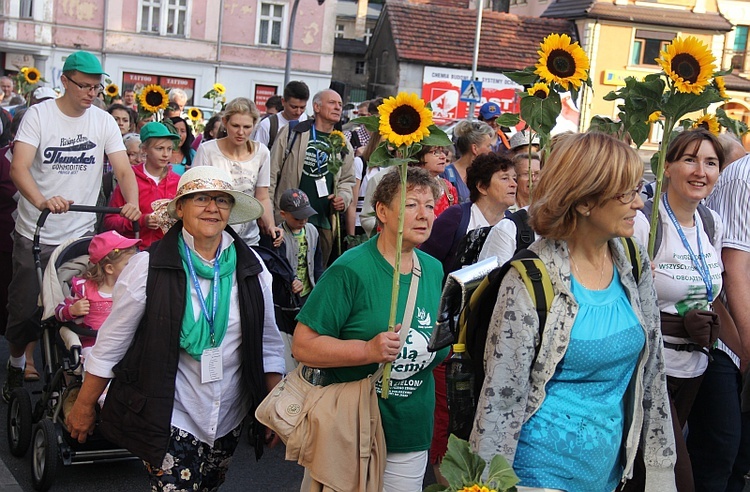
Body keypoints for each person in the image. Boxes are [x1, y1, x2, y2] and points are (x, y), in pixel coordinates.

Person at [470, 131, 677, 491]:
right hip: (536, 475)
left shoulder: (632, 259)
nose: (639, 204)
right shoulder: (530, 279)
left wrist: (660, 470)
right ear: (584, 202)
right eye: (625, 193)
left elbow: (654, 368)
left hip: (609, 473)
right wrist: (485, 484)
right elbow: (501, 400)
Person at [65, 166, 285, 491]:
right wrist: (84, 405)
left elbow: (269, 345)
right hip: (170, 411)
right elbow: (112, 344)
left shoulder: (252, 267)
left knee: (210, 485)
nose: (213, 208)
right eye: (201, 199)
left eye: (222, 200)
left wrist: (273, 408)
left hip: (230, 414)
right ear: (180, 208)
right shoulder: (147, 267)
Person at [292, 166, 450, 491]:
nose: (424, 215)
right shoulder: (351, 269)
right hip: (352, 429)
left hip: (411, 430)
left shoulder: (433, 269)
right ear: (382, 211)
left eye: (430, 206)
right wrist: (366, 350)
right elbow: (303, 346)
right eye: (411, 205)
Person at [3, 50, 140, 401]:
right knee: (25, 312)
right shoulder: (39, 116)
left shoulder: (103, 122)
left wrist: (133, 202)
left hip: (79, 236)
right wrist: (42, 201)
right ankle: (17, 360)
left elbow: (123, 169)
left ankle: (71, 378)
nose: (91, 93)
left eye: (97, 88)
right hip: (37, 230)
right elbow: (19, 168)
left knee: (81, 311)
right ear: (64, 81)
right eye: (84, 86)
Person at [631, 128, 723, 492]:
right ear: (666, 166)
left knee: (648, 476)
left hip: (695, 369)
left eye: (711, 163)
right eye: (689, 159)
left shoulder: (712, 223)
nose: (701, 171)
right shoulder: (644, 223)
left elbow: (713, 296)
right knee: (672, 479)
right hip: (653, 369)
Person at [693, 153, 750, 491]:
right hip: (726, 338)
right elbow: (734, 269)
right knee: (721, 452)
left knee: (740, 455)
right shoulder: (743, 177)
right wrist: (747, 347)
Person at [269, 89, 355, 264]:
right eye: (332, 103)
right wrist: (269, 216)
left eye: (340, 104)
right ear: (316, 107)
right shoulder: (293, 132)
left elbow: (347, 181)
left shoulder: (342, 143)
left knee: (316, 276)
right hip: (289, 219)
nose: (338, 107)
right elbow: (271, 173)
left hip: (323, 221)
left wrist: (343, 198)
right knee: (285, 273)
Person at [193, 97, 282, 246]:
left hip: (248, 239)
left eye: (247, 127)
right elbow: (195, 195)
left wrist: (271, 226)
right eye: (235, 125)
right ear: (225, 122)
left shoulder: (262, 153)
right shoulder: (207, 151)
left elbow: (262, 197)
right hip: (211, 236)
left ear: (254, 125)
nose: (241, 132)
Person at [420, 152, 516, 275]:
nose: (514, 184)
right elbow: (427, 263)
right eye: (505, 178)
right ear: (481, 187)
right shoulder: (456, 217)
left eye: (514, 178)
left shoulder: (513, 223)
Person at [262, 188, 323, 370]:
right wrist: (290, 281)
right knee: (288, 335)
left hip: (308, 292)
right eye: (297, 218)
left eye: (306, 216)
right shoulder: (278, 235)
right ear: (283, 214)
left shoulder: (312, 231)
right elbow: (276, 266)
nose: (303, 221)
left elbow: (317, 262)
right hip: (288, 299)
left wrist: (320, 287)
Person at [55, 230, 140, 358]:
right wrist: (72, 310)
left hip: (124, 343)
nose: (133, 267)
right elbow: (58, 312)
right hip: (93, 344)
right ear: (110, 268)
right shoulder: (84, 289)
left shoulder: (131, 287)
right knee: (92, 360)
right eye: (128, 264)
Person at [104, 122, 181, 248]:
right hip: (133, 252)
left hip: (167, 252)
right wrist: (141, 221)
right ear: (144, 149)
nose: (166, 154)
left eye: (169, 149)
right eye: (159, 148)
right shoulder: (130, 179)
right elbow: (110, 221)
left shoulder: (177, 182)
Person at [441, 120, 495, 204]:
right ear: (474, 148)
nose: (491, 151)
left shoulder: (487, 175)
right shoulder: (446, 174)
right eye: (488, 146)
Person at [253, 80, 309, 150]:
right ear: (283, 102)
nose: (298, 112)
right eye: (294, 107)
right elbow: (258, 154)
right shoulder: (267, 125)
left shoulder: (310, 123)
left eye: (302, 107)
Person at [412, 145, 457, 218]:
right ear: (419, 155)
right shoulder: (406, 188)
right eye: (435, 152)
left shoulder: (448, 187)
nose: (443, 157)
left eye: (444, 152)